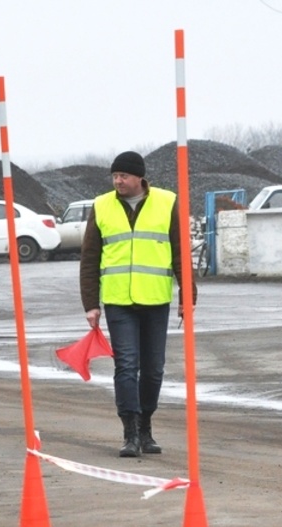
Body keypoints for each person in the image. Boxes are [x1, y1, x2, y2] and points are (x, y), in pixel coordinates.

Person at [79, 150, 194, 458]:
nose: (118, 181)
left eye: (124, 176)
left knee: (154, 369)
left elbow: (181, 252)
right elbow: (90, 257)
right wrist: (91, 304)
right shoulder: (102, 205)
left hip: (155, 299)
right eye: (115, 176)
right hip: (118, 301)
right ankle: (130, 431)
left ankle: (146, 427)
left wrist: (188, 296)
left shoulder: (167, 202)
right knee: (127, 365)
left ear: (140, 177)